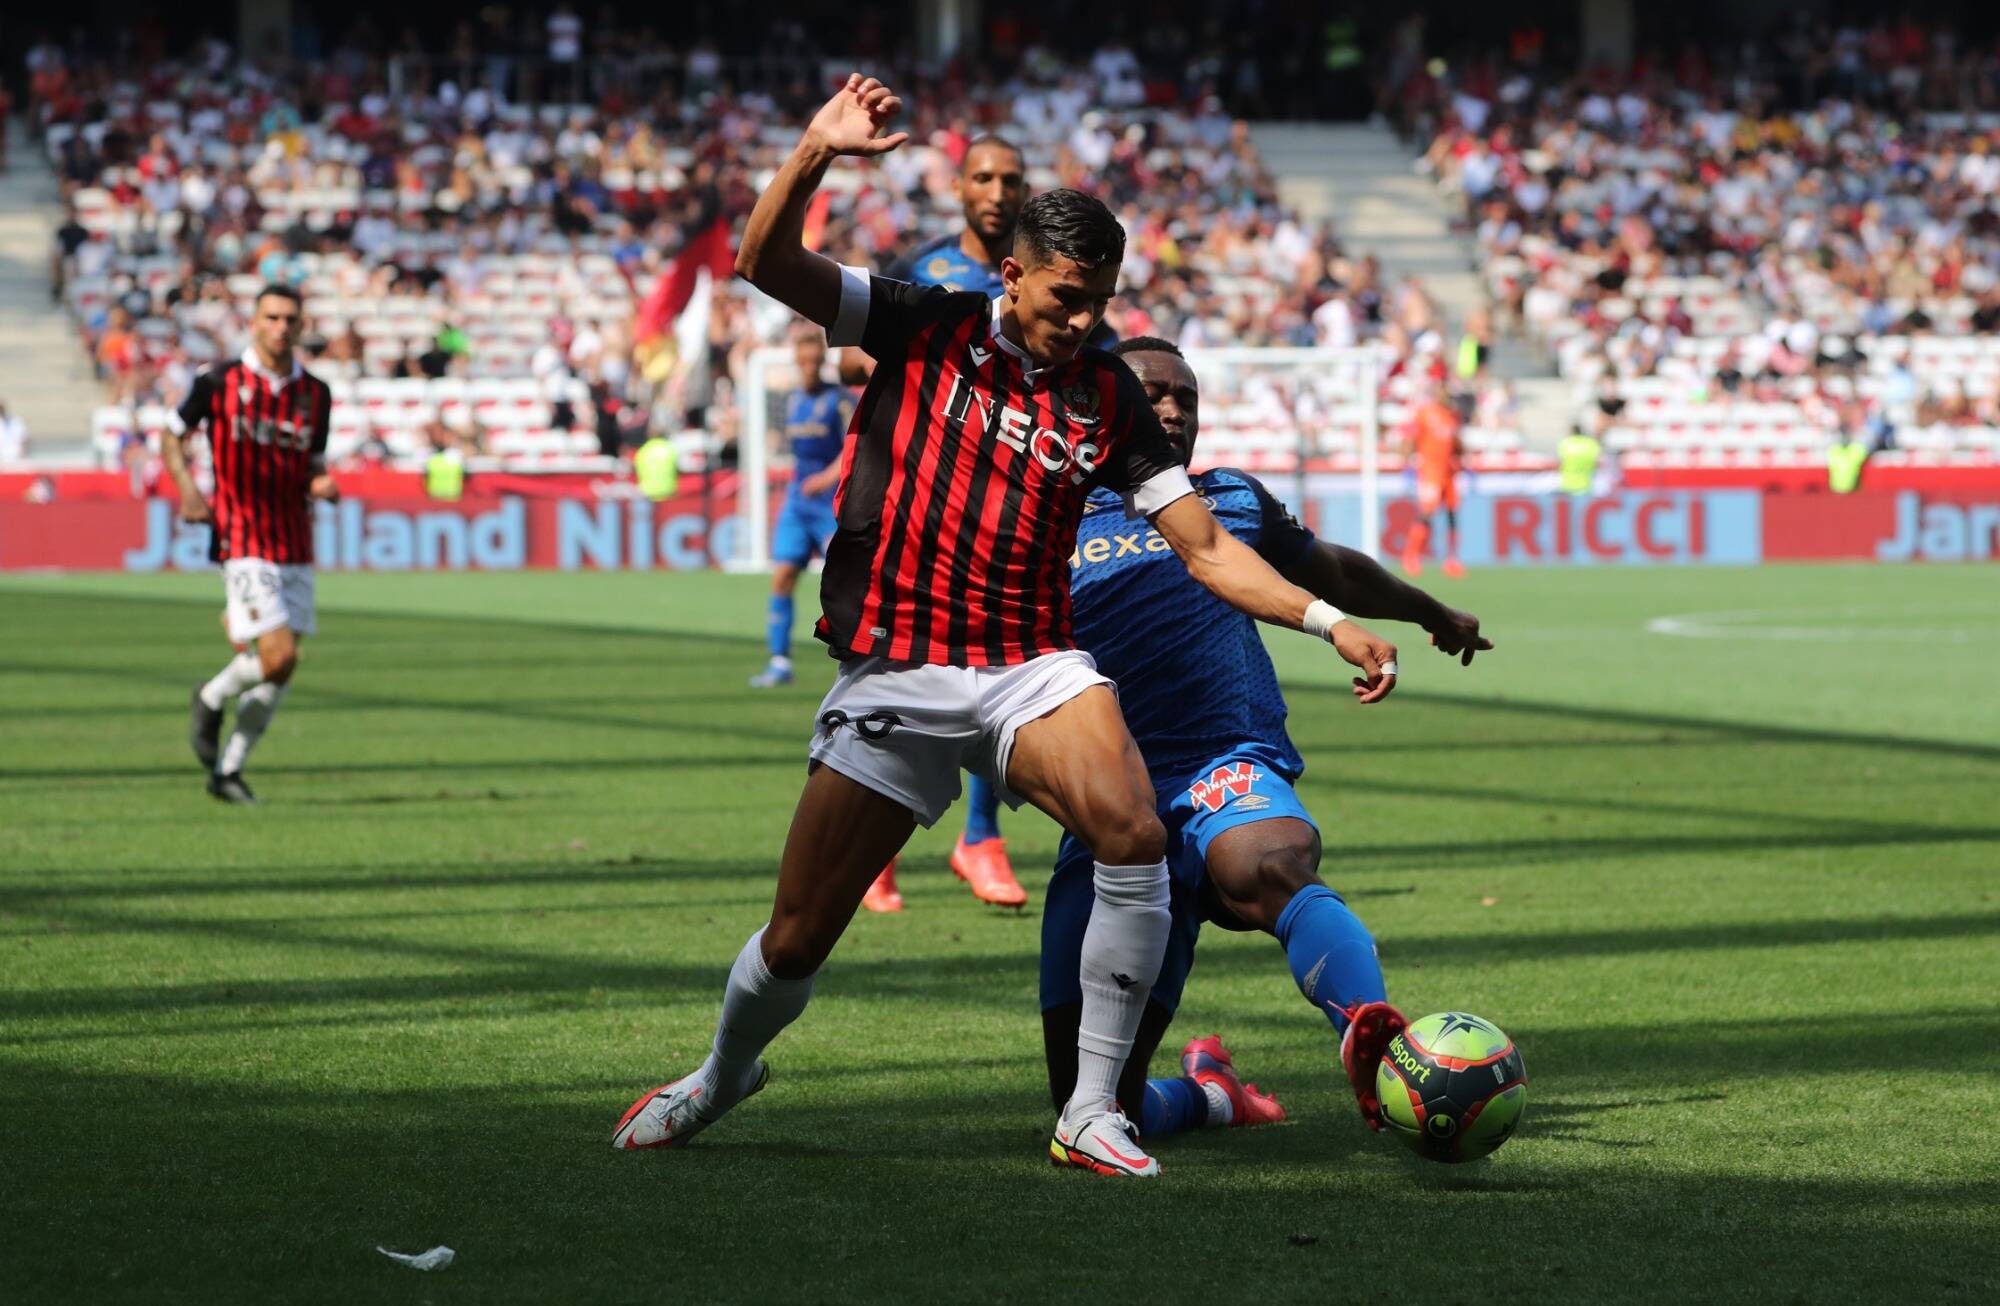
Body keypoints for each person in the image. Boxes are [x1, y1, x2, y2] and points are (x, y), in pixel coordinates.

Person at [611, 76, 1401, 1181]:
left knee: (1131, 833)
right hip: (903, 664)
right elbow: (763, 264)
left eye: (1100, 299)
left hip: (1030, 665)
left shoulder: (1108, 398)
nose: (1082, 322)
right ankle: (722, 1070)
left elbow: (1206, 545)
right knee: (797, 937)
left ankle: (1089, 1110)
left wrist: (1328, 622)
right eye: (1065, 297)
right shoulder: (921, 324)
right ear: (1011, 274)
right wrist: (815, 150)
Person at [1041, 337, 1493, 1150]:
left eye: (1187, 396)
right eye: (1153, 394)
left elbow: (1332, 570)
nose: (1173, 409)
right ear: (1101, 403)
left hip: (1223, 761)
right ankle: (1213, 1096)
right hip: (1110, 793)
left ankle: (1377, 1042)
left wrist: (1426, 611)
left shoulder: (1229, 499)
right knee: (1095, 1099)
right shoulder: (1048, 512)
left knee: (1271, 865)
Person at [837, 134, 1032, 912]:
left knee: (1003, 658)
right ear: (958, 187)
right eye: (983, 177)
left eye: (1010, 179)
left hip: (1010, 500)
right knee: (891, 667)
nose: (997, 190)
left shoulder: (1041, 273)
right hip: (922, 494)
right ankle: (876, 846)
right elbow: (853, 357)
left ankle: (979, 838)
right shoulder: (924, 269)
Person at [161, 285, 337, 805]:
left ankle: (228, 771)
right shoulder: (216, 382)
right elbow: (172, 435)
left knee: (284, 665)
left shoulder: (317, 394)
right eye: (272, 317)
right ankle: (212, 695)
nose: (282, 327)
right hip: (242, 534)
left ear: (301, 326)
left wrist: (322, 483)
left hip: (295, 538)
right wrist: (190, 490)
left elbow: (313, 463)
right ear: (254, 323)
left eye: (290, 319)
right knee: (278, 656)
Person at [751, 328, 852, 690]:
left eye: (815, 361)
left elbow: (856, 444)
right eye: (803, 361)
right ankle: (779, 662)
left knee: (843, 583)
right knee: (782, 577)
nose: (809, 367)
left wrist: (828, 477)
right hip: (798, 501)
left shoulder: (839, 401)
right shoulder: (792, 402)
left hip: (830, 503)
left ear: (823, 363)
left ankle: (857, 661)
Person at [1400, 382, 1464, 578]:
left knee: (1452, 514)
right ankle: (1411, 556)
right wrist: (1407, 460)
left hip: (1449, 472)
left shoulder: (1452, 416)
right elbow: (1410, 438)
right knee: (1427, 512)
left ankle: (1452, 560)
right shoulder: (1425, 412)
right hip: (1430, 471)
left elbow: (1456, 443)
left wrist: (1460, 455)